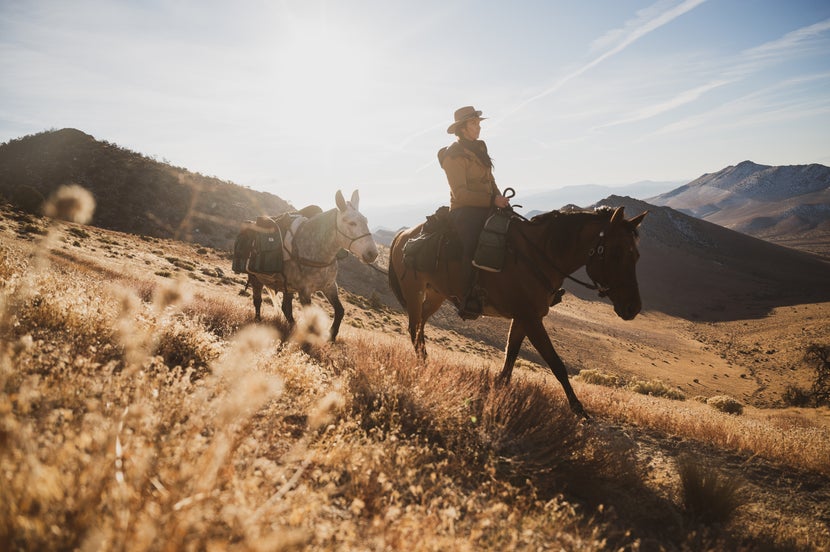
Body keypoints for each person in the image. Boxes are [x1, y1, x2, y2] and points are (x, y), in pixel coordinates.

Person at [438, 106, 511, 319]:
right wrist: (491, 200)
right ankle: (467, 297)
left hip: (489, 204)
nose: (478, 127)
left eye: (478, 123)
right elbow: (460, 194)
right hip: (465, 211)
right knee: (471, 246)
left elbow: (490, 180)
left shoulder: (479, 147)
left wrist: (500, 200)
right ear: (462, 129)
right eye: (474, 124)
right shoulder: (453, 156)